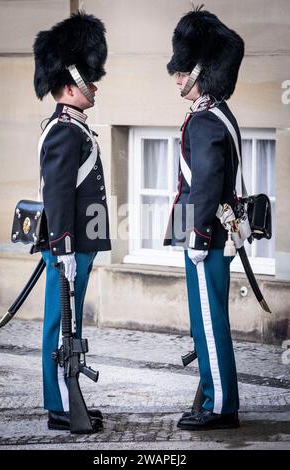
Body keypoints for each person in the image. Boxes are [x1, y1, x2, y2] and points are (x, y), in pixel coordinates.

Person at [164, 6, 245, 430]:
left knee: (209, 325)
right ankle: (214, 396)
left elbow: (207, 186)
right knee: (208, 321)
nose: (177, 78)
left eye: (182, 71)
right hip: (212, 236)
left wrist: (194, 237)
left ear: (200, 70)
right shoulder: (215, 113)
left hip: (207, 239)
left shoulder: (205, 119)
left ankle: (220, 408)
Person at [32, 11, 111, 432]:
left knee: (70, 325)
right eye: (89, 79)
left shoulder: (75, 128)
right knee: (62, 328)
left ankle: (65, 399)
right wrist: (63, 251)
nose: (95, 85)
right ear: (69, 86)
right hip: (69, 247)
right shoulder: (65, 130)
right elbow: (58, 195)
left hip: (77, 244)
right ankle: (61, 406)